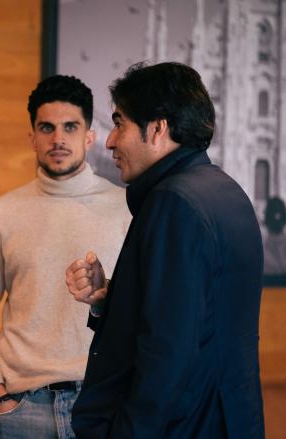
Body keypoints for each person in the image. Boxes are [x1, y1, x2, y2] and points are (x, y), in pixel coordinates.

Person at [66, 62, 265, 438]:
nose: (110, 141)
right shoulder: (226, 191)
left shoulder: (174, 202)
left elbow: (169, 353)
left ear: (157, 129)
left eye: (120, 123)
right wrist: (110, 300)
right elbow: (195, 319)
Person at [0, 75, 130, 438]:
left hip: (103, 406)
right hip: (22, 410)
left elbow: (141, 311)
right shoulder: (1, 214)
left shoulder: (126, 209)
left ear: (89, 135)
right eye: (46, 128)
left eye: (70, 127)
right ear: (32, 138)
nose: (58, 139)